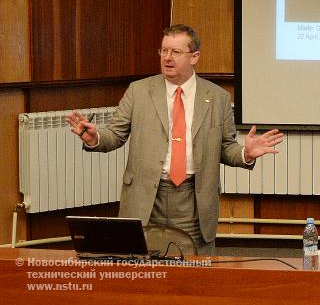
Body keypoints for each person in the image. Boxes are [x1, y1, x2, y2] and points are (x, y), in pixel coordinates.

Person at [66, 24, 284, 255]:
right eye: (164, 51)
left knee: (193, 272)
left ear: (194, 57)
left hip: (193, 201)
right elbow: (115, 135)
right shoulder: (138, 91)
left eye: (176, 52)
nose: (167, 58)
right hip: (147, 198)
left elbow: (225, 147)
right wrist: (94, 137)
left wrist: (245, 153)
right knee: (141, 271)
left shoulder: (217, 97)